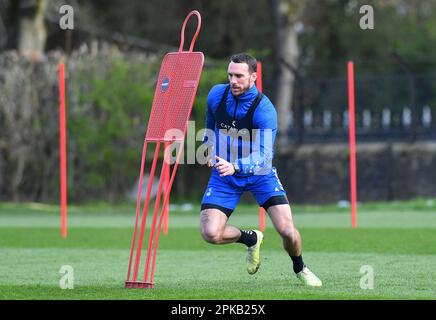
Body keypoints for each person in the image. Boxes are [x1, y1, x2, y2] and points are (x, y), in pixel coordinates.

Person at [199, 53, 322, 287]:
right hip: (225, 176)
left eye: (239, 76)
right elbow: (210, 120)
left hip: (259, 175)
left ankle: (300, 267)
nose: (233, 80)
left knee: (287, 231)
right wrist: (208, 144)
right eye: (230, 75)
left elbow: (264, 157)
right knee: (211, 233)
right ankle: (250, 238)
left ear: (253, 77)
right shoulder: (216, 95)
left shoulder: (264, 110)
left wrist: (235, 165)